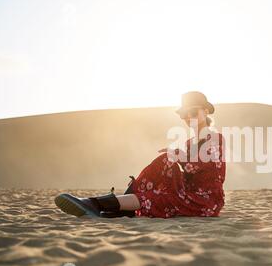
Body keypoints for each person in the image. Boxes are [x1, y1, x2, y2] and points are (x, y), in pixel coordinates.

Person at [54, 91, 226, 218]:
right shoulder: (190, 143)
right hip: (188, 192)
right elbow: (188, 170)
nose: (188, 117)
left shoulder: (216, 138)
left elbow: (204, 166)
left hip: (206, 201)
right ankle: (118, 204)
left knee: (161, 197)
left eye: (194, 112)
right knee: (165, 160)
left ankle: (98, 203)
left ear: (205, 111)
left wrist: (181, 157)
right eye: (184, 114)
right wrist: (176, 157)